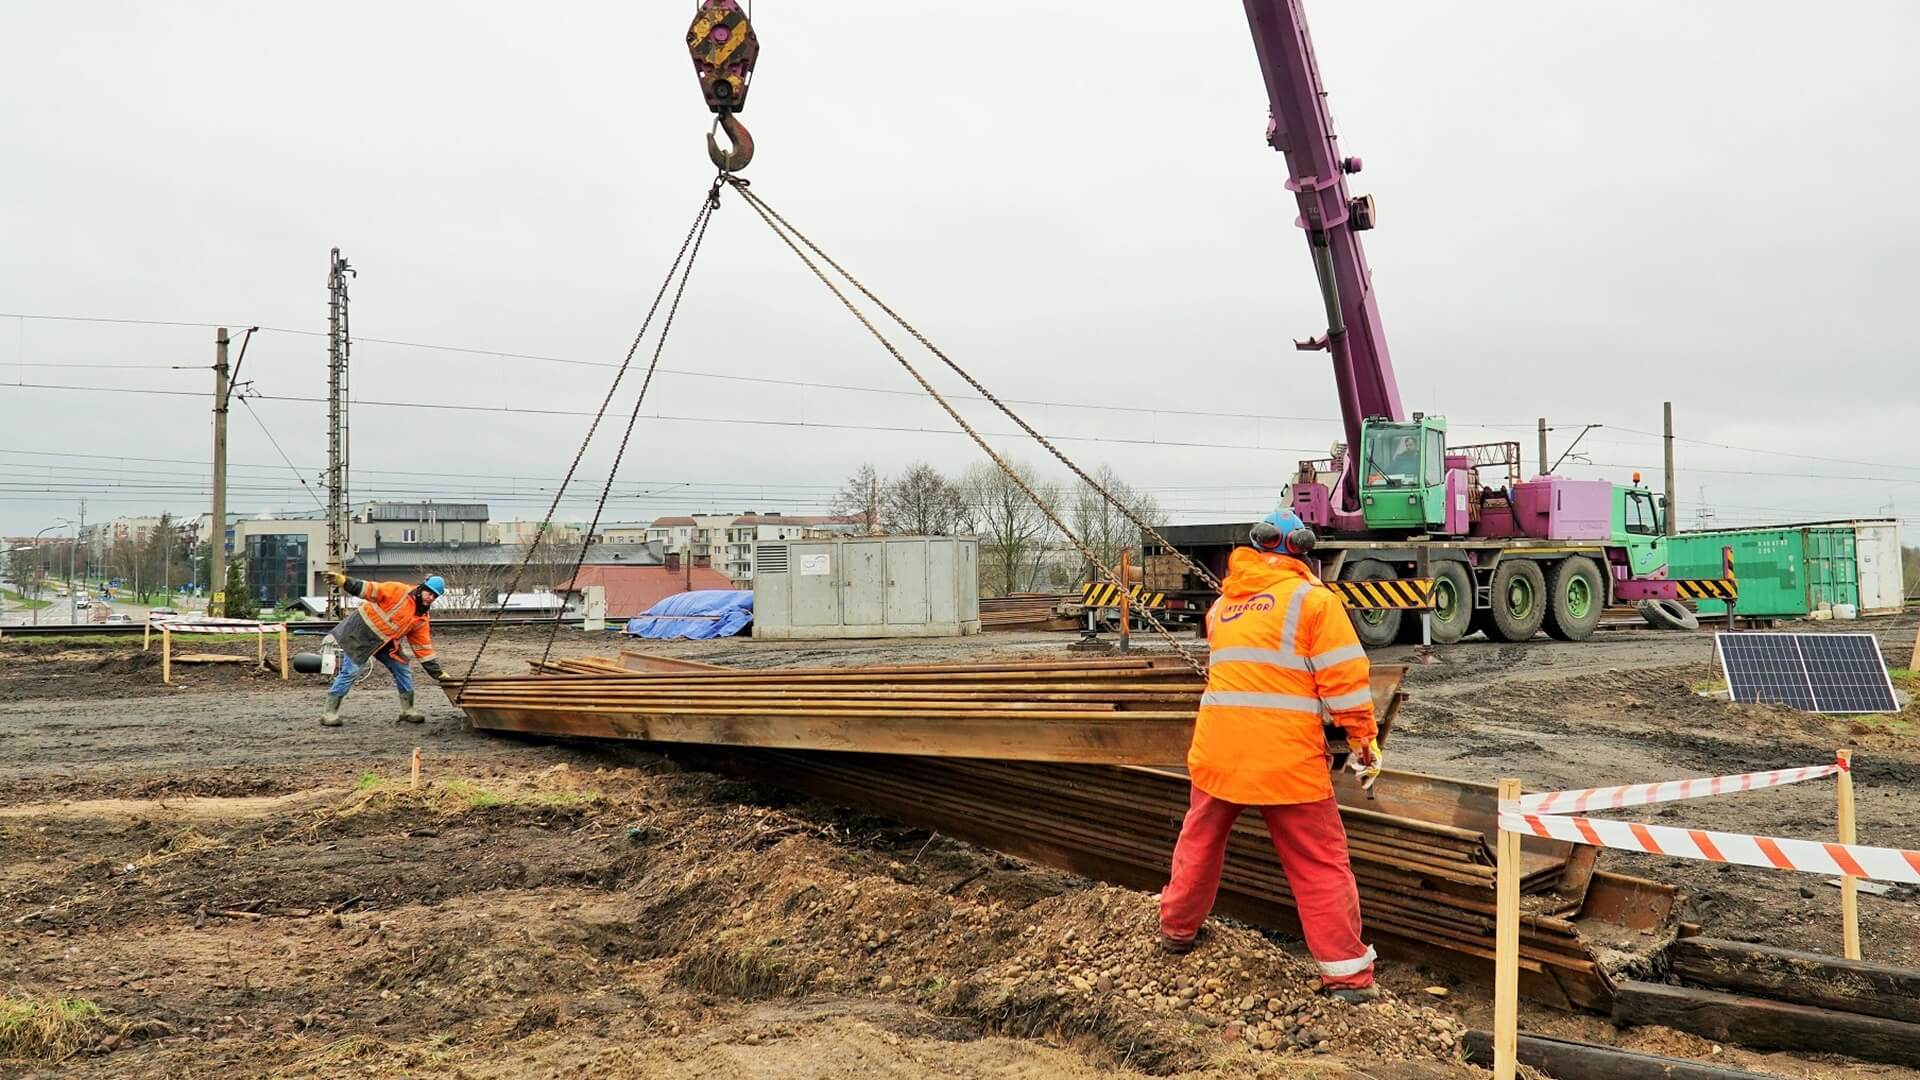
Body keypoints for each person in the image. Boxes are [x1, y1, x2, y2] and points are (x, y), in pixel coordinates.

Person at [1158, 510, 1384, 1003]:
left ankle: (1176, 929)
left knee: (1199, 840)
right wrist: (1364, 740)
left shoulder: (1223, 607)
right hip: (1286, 759)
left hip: (1219, 750)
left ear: (1258, 549)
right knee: (1319, 861)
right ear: (1303, 551)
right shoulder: (1314, 602)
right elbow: (1344, 681)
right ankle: (1346, 975)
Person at [319, 572, 447, 728]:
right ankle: (329, 712)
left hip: (385, 641)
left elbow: (423, 648)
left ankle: (408, 709)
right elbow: (369, 589)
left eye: (435, 596)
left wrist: (438, 673)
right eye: (430, 593)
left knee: (402, 667)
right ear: (422, 588)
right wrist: (345, 581)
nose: (431, 598)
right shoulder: (398, 591)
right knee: (351, 671)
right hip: (360, 634)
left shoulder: (421, 618)